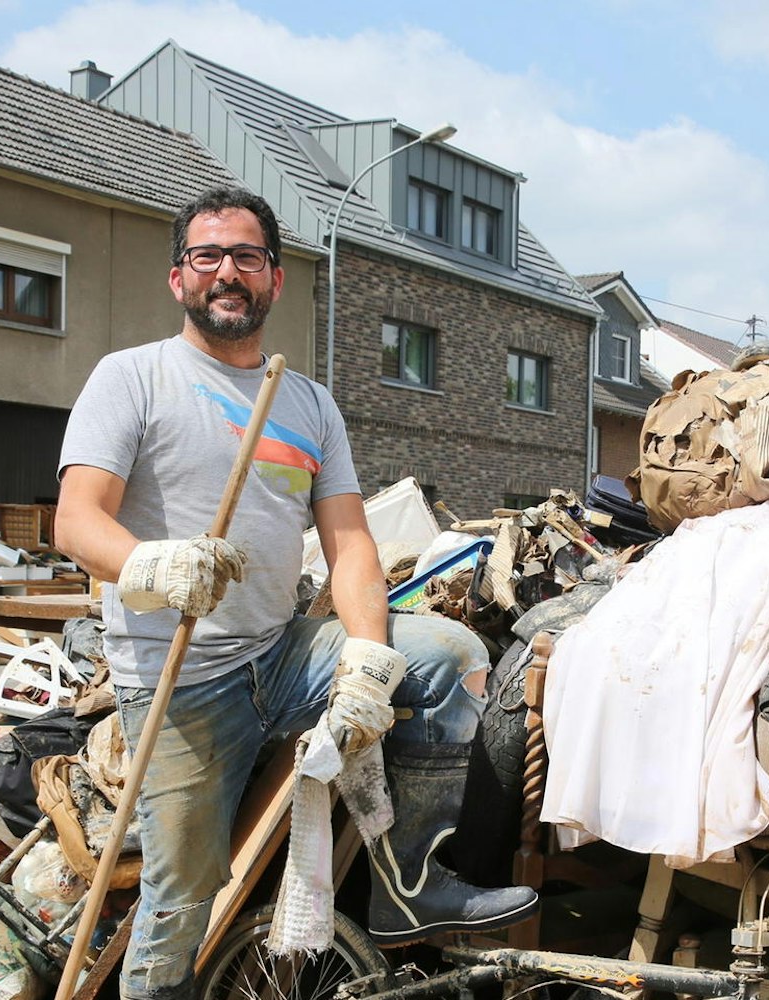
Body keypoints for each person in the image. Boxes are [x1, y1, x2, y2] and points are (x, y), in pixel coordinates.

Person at [55, 187, 537, 1000]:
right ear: (179, 279)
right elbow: (76, 520)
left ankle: (410, 881)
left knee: (449, 653)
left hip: (279, 654)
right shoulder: (131, 378)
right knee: (183, 900)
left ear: (275, 279)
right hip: (180, 681)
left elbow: (350, 543)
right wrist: (151, 567)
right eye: (207, 256)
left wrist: (370, 656)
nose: (227, 273)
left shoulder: (306, 403)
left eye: (247, 257)